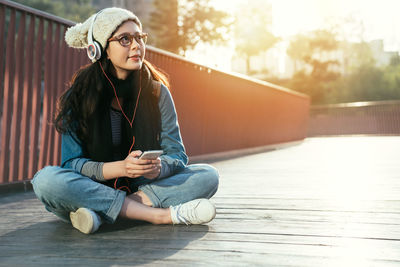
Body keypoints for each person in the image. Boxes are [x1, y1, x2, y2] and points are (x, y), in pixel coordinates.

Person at [31, 7, 219, 234]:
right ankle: (159, 215)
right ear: (100, 50)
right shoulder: (78, 97)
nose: (136, 45)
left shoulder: (158, 94)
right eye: (125, 39)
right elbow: (72, 164)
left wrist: (157, 170)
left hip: (142, 187)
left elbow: (177, 154)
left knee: (208, 176)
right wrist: (121, 168)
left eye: (139, 37)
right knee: (46, 180)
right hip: (93, 186)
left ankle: (101, 213)